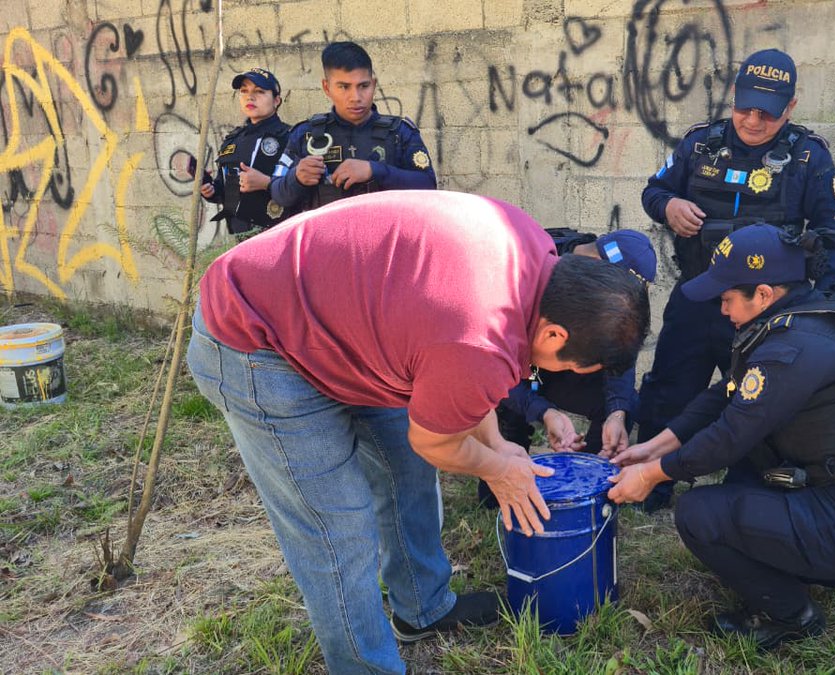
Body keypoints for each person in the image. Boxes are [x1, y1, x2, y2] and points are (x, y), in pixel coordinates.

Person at [186, 190, 650, 674]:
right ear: (555, 335)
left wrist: (495, 443)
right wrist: (497, 470)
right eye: (572, 366)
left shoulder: (535, 254)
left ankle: (423, 609)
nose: (564, 373)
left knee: (406, 474)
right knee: (338, 530)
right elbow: (434, 437)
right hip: (257, 336)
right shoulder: (476, 333)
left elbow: (467, 386)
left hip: (345, 325)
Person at [605, 224, 835, 649]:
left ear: (763, 293)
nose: (721, 310)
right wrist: (654, 446)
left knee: (700, 514)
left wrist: (651, 476)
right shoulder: (802, 315)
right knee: (743, 478)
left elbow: (731, 434)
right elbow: (726, 395)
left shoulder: (796, 347)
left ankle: (791, 614)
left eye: (727, 299)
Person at [636, 48, 835, 512]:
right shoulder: (700, 144)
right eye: (745, 107)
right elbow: (654, 191)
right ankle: (651, 488)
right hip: (699, 294)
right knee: (670, 390)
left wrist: (810, 310)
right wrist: (668, 207)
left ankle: (743, 496)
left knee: (760, 404)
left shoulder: (807, 159)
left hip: (766, 312)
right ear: (733, 97)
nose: (753, 120)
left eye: (767, 113)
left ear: (790, 107)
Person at [478, 228, 657, 507]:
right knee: (511, 407)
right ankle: (496, 497)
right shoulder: (532, 274)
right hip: (529, 371)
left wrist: (617, 412)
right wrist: (542, 410)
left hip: (568, 368)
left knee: (621, 403)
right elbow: (494, 372)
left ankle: (591, 484)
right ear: (599, 271)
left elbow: (619, 361)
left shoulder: (608, 307)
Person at [270, 41, 436, 212]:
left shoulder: (399, 133)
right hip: (328, 238)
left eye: (363, 86)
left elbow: (429, 186)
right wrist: (297, 178)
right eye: (344, 87)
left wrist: (376, 170)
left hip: (386, 237)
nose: (355, 97)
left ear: (373, 84)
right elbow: (278, 194)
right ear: (327, 88)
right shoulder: (306, 135)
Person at [199, 68, 294, 235]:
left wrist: (266, 182)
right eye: (244, 91)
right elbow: (227, 193)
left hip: (278, 234)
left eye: (259, 91)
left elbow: (300, 189)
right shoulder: (233, 140)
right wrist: (211, 190)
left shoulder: (290, 137)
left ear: (276, 100)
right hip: (238, 236)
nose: (250, 97)